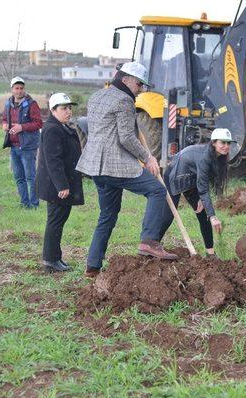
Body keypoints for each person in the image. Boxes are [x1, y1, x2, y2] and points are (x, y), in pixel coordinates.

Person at [76, 61, 178, 278]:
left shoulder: (96, 97)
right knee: (157, 191)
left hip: (96, 167)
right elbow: (126, 138)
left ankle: (93, 266)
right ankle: (149, 241)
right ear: (125, 80)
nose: (140, 89)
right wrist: (148, 158)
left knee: (107, 215)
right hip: (116, 166)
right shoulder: (124, 100)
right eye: (139, 84)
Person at [157, 128, 231, 256]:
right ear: (213, 142)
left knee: (204, 215)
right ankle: (152, 245)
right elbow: (203, 188)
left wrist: (207, 209)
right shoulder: (204, 157)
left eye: (228, 143)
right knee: (167, 216)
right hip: (175, 175)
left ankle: (210, 253)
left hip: (191, 178)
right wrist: (213, 216)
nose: (226, 146)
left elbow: (204, 181)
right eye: (222, 142)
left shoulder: (218, 157)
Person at [35, 93, 84, 273]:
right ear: (53, 110)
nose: (68, 111)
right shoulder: (52, 129)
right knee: (55, 221)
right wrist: (61, 185)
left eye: (70, 108)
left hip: (60, 183)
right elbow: (52, 160)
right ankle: (50, 260)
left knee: (59, 221)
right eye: (64, 108)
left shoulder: (61, 127)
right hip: (55, 186)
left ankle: (55, 257)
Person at [2, 76, 43, 209]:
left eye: (21, 88)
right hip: (13, 146)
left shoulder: (32, 104)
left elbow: (38, 123)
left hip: (27, 146)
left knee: (30, 177)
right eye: (16, 88)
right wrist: (4, 125)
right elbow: (4, 119)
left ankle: (34, 204)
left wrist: (21, 127)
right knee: (19, 178)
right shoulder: (8, 104)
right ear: (12, 89)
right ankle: (25, 203)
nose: (19, 91)